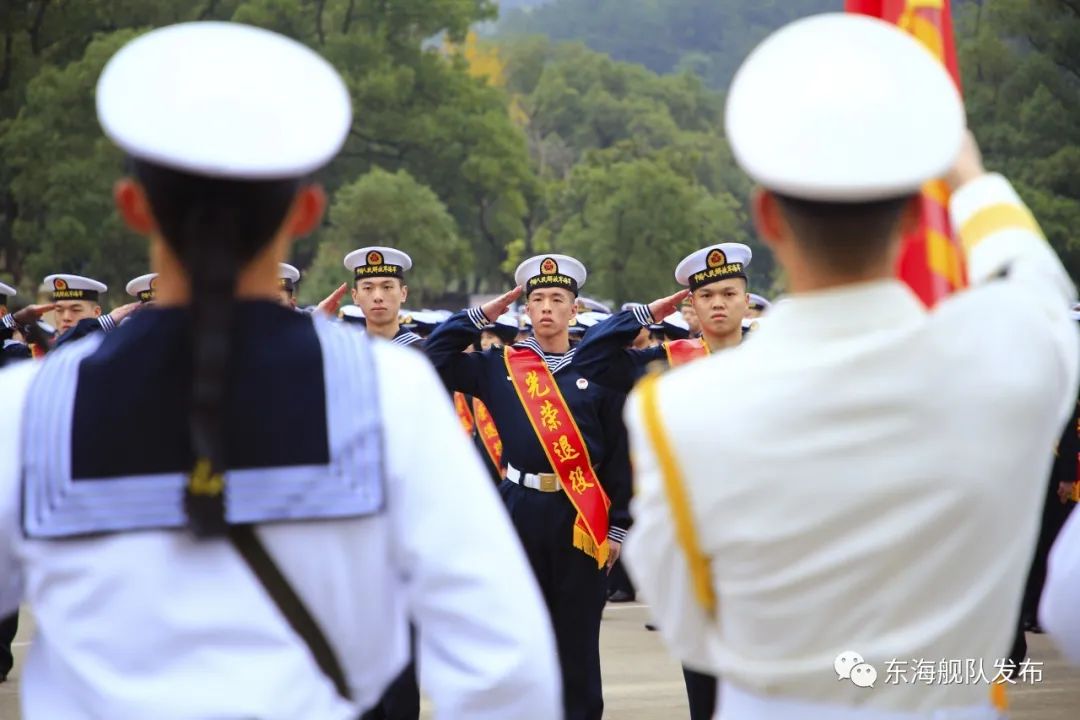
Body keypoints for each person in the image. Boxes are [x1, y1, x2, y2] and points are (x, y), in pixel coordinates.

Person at [0, 21, 559, 720]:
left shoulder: (27, 409)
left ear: (132, 207)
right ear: (307, 211)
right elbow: (507, 668)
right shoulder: (387, 395)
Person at [623, 13, 1076, 720]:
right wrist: (970, 178)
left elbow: (688, 628)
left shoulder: (678, 410)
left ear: (767, 218)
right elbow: (1038, 288)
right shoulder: (1004, 359)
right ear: (911, 220)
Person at [424, 253, 632, 720]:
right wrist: (478, 316)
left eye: (558, 299)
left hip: (579, 513)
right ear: (525, 309)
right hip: (518, 509)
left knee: (577, 639)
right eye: (536, 299)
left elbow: (618, 456)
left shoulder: (598, 370)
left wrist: (617, 527)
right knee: (520, 633)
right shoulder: (498, 366)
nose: (546, 308)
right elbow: (431, 359)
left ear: (574, 310)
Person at [572, 242, 753, 394]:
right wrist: (644, 314)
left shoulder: (769, 355)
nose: (718, 304)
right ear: (692, 303)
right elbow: (589, 360)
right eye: (706, 296)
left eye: (729, 294)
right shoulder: (666, 361)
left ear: (746, 301)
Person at [344, 247, 422, 348]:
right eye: (368, 288)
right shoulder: (347, 351)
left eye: (387, 287)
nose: (378, 297)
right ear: (355, 296)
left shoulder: (426, 354)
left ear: (403, 293)